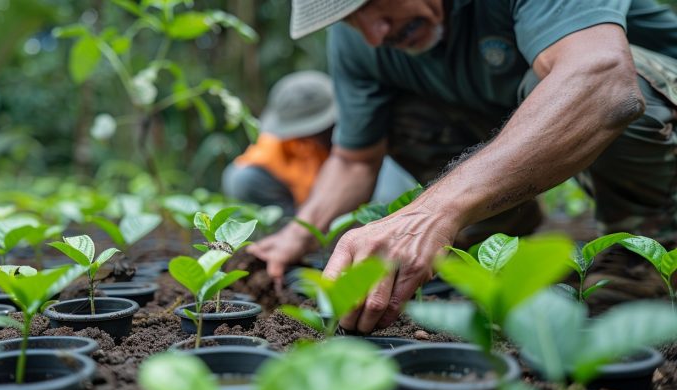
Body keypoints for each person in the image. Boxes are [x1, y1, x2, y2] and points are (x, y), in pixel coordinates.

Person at [248, 0, 677, 333]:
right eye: (351, 20)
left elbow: (603, 84)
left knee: (585, 84)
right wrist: (299, 234)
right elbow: (354, 158)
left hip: (649, 104)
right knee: (393, 111)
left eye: (373, 5)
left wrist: (433, 211)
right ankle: (501, 250)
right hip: (518, 122)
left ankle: (644, 253)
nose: (374, 35)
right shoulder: (363, 42)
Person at [223, 70, 415, 216]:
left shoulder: (365, 126)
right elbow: (242, 174)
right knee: (241, 179)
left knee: (388, 192)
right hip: (304, 210)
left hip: (363, 207)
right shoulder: (277, 144)